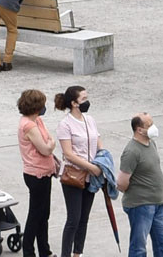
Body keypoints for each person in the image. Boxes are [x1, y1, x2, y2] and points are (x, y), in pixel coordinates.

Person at [55, 86, 103, 257]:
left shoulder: (90, 120)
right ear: (74, 103)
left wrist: (102, 161)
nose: (87, 101)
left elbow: (98, 142)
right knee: (73, 219)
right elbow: (68, 153)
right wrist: (91, 167)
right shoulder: (65, 124)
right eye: (83, 99)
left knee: (84, 218)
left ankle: (78, 253)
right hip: (74, 175)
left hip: (92, 175)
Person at [117, 112, 163, 256]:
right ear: (139, 130)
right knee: (139, 247)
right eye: (149, 125)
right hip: (141, 206)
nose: (153, 127)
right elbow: (121, 183)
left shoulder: (151, 143)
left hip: (158, 203)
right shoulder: (131, 151)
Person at [17, 89, 57, 257]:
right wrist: (51, 143)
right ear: (36, 107)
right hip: (36, 174)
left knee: (44, 214)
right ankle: (28, 251)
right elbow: (46, 148)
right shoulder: (29, 125)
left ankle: (44, 250)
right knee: (35, 214)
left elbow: (48, 140)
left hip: (45, 173)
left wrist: (49, 143)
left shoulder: (37, 120)